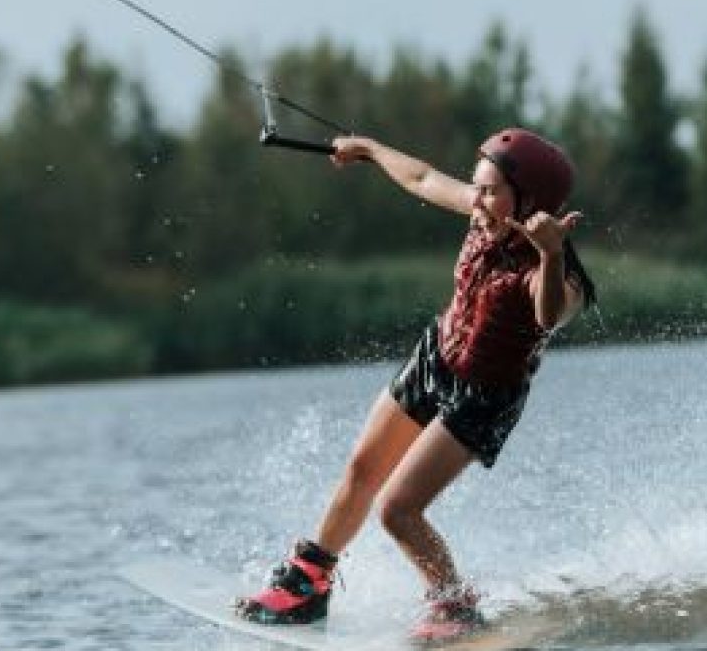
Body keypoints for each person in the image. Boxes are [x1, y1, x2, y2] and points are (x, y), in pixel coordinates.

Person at [236, 128, 596, 642]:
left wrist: (551, 254)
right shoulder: (483, 211)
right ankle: (310, 581)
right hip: (438, 356)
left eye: (491, 192)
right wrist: (370, 149)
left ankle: (455, 605)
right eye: (478, 188)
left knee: (398, 511)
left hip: (484, 395)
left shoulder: (557, 273)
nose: (478, 201)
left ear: (530, 202)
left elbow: (548, 315)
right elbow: (424, 177)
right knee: (363, 468)